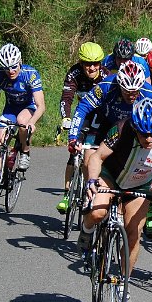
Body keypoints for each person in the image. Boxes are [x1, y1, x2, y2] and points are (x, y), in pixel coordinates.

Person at [80, 99, 152, 302]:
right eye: (144, 134)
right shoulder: (120, 130)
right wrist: (92, 180)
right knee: (97, 213)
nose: (149, 139)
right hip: (111, 176)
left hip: (140, 184)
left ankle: (124, 282)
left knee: (133, 233)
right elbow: (96, 157)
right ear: (134, 128)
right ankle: (86, 232)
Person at [67, 60, 152, 167]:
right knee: (88, 162)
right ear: (119, 86)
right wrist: (73, 137)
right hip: (104, 121)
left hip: (130, 127)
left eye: (135, 92)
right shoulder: (106, 86)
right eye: (127, 91)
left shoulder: (149, 94)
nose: (131, 96)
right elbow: (83, 107)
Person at [56, 42, 109, 213]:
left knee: (89, 159)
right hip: (82, 115)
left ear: (100, 63)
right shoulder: (74, 74)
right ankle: (67, 194)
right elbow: (66, 98)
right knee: (73, 153)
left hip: (99, 118)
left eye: (95, 63)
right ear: (81, 63)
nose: (92, 68)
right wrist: (66, 118)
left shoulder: (106, 76)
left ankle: (89, 192)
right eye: (87, 63)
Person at [0, 43, 45, 176]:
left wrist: (32, 122)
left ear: (20, 62)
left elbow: (41, 105)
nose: (11, 71)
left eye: (14, 66)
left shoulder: (30, 74)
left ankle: (25, 151)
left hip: (29, 107)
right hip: (10, 109)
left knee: (22, 121)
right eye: (6, 68)